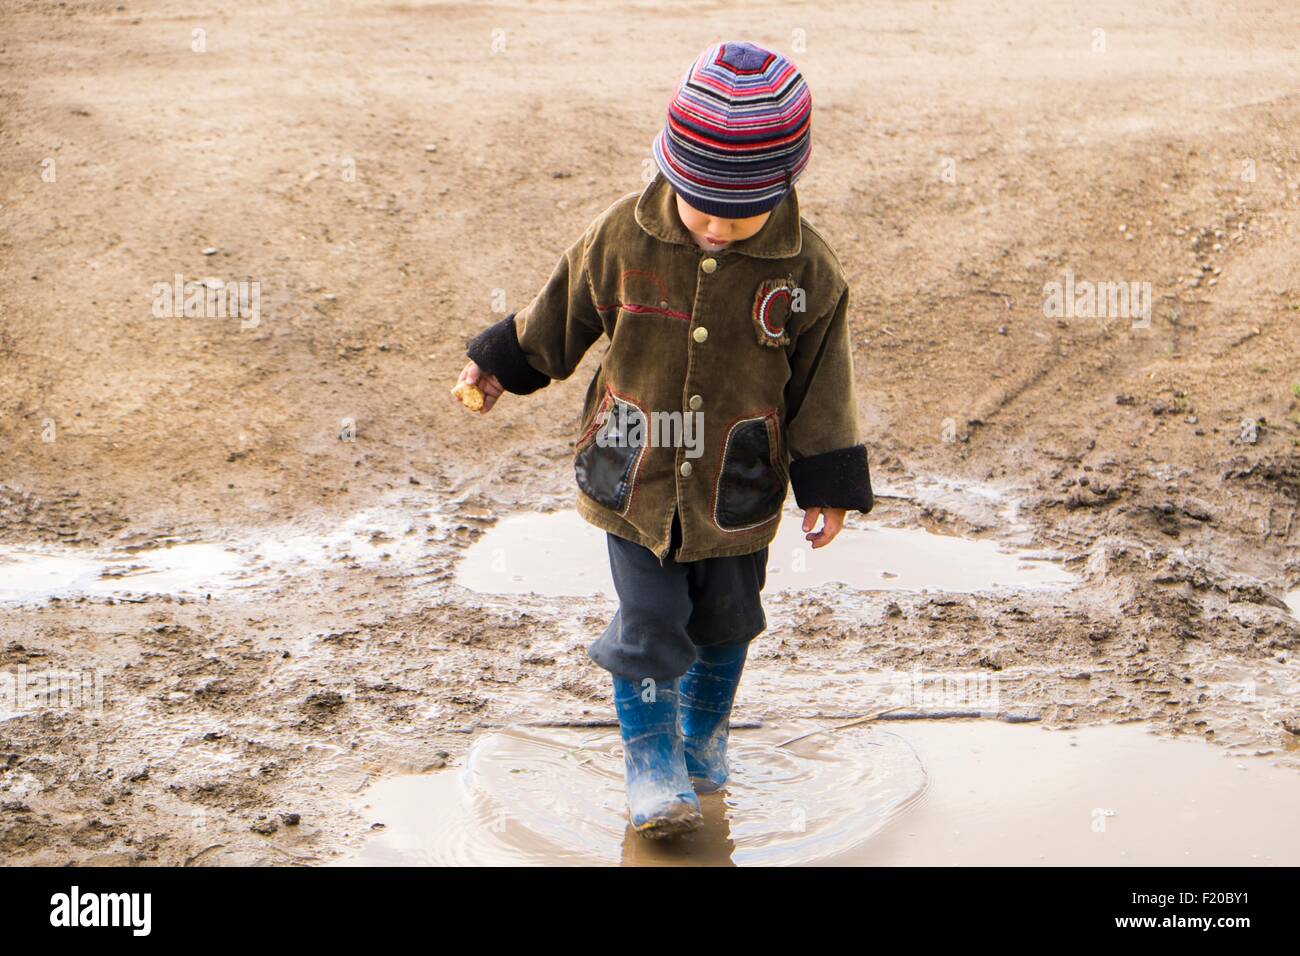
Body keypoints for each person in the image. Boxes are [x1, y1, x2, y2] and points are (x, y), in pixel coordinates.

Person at [455, 41, 873, 838]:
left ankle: (704, 741)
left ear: (784, 186)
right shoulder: (621, 236)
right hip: (634, 478)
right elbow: (560, 315)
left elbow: (823, 381)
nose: (715, 225)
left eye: (738, 210)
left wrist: (826, 483)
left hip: (737, 487)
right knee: (649, 626)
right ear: (670, 169)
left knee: (728, 621)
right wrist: (500, 365)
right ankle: (651, 765)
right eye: (698, 202)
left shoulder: (807, 271)